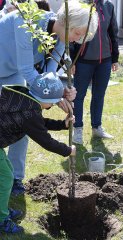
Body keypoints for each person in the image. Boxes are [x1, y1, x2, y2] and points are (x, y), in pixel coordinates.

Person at [0, 0, 98, 194]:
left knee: (22, 119)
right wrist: (55, 95)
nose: (77, 41)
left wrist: (60, 91)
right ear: (67, 21)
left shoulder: (61, 38)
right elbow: (27, 69)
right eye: (77, 34)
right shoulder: (27, 22)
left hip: (12, 72)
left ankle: (15, 179)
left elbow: (50, 74)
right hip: (13, 67)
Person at [0, 72, 76, 234]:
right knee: (6, 178)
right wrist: (68, 150)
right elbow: (45, 140)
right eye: (54, 103)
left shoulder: (26, 101)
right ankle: (1, 220)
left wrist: (62, 124)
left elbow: (38, 124)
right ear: (48, 101)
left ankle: (2, 209)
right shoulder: (30, 112)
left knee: (7, 171)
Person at [71, 0, 119, 144]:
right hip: (83, 60)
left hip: (104, 60)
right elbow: (70, 35)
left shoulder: (108, 6)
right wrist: (71, 61)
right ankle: (77, 129)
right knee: (78, 96)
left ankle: (97, 127)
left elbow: (113, 33)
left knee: (99, 95)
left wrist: (114, 58)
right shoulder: (79, 5)